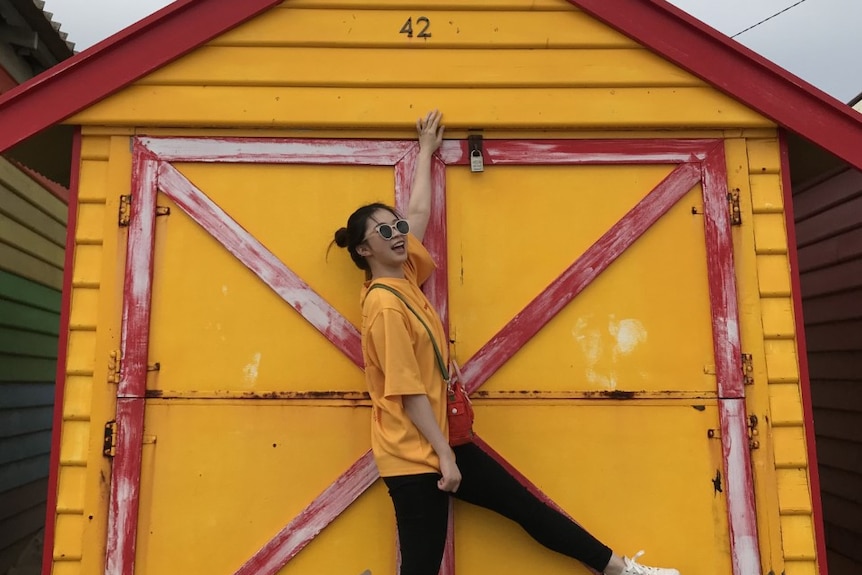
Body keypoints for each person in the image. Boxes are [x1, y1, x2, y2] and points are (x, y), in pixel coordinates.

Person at [332, 110, 680, 575]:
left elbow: (417, 214)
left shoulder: (406, 276)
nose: (399, 235)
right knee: (422, 567)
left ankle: (620, 570)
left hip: (441, 444)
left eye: (396, 228)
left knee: (527, 510)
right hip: (415, 456)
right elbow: (407, 389)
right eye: (385, 232)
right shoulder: (385, 306)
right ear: (362, 250)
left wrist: (427, 153)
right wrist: (446, 457)